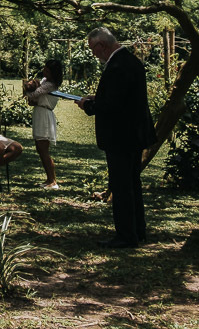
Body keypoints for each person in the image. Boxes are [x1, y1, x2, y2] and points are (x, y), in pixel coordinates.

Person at [78, 27, 157, 248]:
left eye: (93, 49)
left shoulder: (117, 66)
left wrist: (88, 105)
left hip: (121, 136)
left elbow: (111, 105)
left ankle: (126, 236)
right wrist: (98, 97)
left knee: (121, 186)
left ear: (101, 45)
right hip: (134, 134)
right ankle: (137, 230)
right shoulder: (132, 62)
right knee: (133, 183)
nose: (94, 55)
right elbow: (122, 97)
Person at [23, 60, 63, 190]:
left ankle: (53, 181)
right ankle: (49, 179)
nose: (44, 71)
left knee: (43, 149)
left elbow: (34, 94)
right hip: (39, 113)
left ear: (53, 72)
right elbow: (33, 99)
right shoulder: (45, 81)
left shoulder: (50, 85)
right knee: (40, 149)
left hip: (45, 116)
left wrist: (27, 87)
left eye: (47, 70)